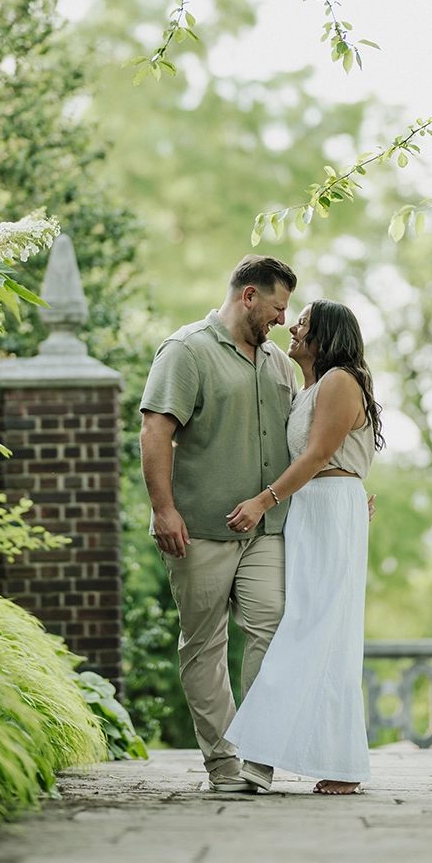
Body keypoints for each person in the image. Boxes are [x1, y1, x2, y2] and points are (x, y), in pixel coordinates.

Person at [139, 256, 302, 793]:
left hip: (266, 531)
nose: (283, 318)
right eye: (278, 306)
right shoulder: (185, 351)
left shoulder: (279, 364)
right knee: (205, 645)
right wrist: (164, 510)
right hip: (199, 530)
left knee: (273, 633)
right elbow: (155, 431)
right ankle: (224, 764)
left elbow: (303, 439)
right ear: (248, 296)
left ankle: (257, 753)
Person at [222, 299, 382, 794]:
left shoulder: (338, 380)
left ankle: (325, 762)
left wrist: (263, 501)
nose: (293, 327)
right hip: (314, 509)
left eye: (305, 322)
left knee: (316, 630)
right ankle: (287, 754)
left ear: (326, 336)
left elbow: (318, 455)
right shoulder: (310, 386)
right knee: (310, 627)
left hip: (326, 508)